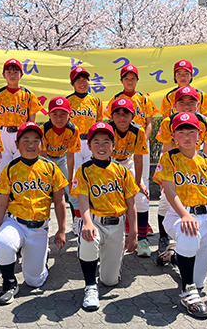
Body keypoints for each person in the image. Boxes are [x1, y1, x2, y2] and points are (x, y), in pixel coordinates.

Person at [153, 112, 207, 319]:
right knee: (188, 233)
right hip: (177, 215)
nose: (186, 136)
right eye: (181, 131)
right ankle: (187, 291)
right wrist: (185, 215)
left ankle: (176, 256)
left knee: (199, 280)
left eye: (191, 131)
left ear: (200, 134)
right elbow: (169, 191)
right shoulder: (169, 158)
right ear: (173, 136)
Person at [0, 122, 68, 305]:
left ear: (42, 144)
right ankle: (9, 282)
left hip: (39, 227)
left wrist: (62, 230)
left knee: (35, 281)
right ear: (17, 145)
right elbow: (1, 204)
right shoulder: (10, 168)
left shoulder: (51, 168)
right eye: (26, 140)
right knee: (3, 244)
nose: (31, 144)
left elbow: (59, 201)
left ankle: (42, 257)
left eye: (36, 140)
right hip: (15, 222)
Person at [154, 86, 207, 261]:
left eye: (191, 102)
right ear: (175, 105)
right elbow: (167, 150)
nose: (186, 106)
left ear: (198, 104)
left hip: (198, 170)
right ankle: (165, 239)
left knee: (204, 212)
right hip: (175, 171)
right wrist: (165, 179)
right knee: (166, 204)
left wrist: (206, 176)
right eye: (182, 102)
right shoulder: (168, 122)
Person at [71, 121, 139, 311]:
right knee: (88, 239)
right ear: (89, 145)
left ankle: (108, 270)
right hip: (95, 222)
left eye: (106, 142)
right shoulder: (84, 170)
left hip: (117, 226)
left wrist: (133, 233)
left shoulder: (122, 171)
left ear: (114, 145)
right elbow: (83, 200)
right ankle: (90, 286)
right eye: (97, 142)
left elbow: (131, 204)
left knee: (110, 282)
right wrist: (86, 223)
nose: (102, 147)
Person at [106, 65, 158, 253]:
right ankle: (112, 235)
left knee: (141, 193)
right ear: (121, 80)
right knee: (111, 194)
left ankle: (141, 239)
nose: (129, 81)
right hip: (112, 160)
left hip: (133, 154)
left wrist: (138, 182)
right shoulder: (114, 105)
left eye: (132, 78)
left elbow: (150, 122)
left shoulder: (143, 100)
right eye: (126, 78)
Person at [108, 97, 151, 257]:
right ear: (111, 116)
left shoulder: (138, 130)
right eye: (117, 113)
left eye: (126, 113)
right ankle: (108, 239)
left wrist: (138, 182)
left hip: (128, 162)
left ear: (132, 116)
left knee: (140, 197)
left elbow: (139, 159)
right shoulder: (107, 129)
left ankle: (143, 240)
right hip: (109, 163)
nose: (121, 117)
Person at [66, 67, 104, 235]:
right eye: (78, 80)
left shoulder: (96, 101)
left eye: (85, 79)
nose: (82, 82)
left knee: (92, 179)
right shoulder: (67, 101)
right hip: (73, 143)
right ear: (72, 83)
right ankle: (77, 218)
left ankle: (93, 216)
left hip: (91, 143)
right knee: (75, 181)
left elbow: (100, 124)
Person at [0, 58, 42, 175]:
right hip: (3, 135)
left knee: (22, 170)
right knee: (3, 172)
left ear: (21, 75)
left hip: (21, 134)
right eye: (9, 72)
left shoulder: (28, 95)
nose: (12, 75)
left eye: (15, 71)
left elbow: (32, 121)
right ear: (3, 75)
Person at [40, 96, 80, 228]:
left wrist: (69, 179)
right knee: (44, 191)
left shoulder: (73, 129)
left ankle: (78, 222)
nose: (59, 118)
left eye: (63, 114)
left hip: (62, 158)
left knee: (73, 191)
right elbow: (43, 155)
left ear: (69, 115)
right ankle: (42, 224)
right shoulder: (44, 129)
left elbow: (70, 155)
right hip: (47, 160)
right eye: (55, 114)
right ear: (49, 115)